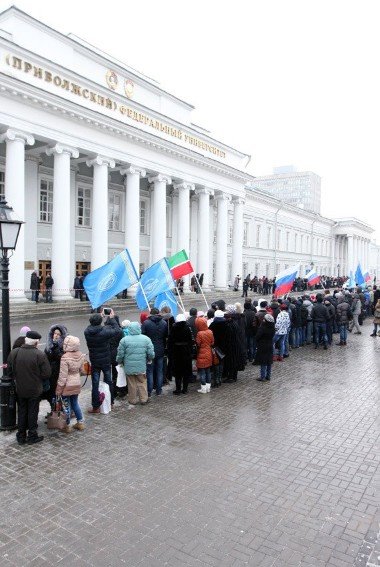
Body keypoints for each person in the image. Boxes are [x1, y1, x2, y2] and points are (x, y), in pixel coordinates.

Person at [7, 330, 51, 444]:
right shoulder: (39, 355)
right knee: (32, 412)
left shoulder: (15, 353)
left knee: (22, 411)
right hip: (34, 389)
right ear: (36, 343)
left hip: (20, 388)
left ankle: (21, 436)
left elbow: (10, 370)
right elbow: (47, 374)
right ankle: (32, 436)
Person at [84, 309, 121, 413]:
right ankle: (111, 402)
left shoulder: (87, 332)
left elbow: (92, 326)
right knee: (108, 381)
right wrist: (112, 318)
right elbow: (117, 330)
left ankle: (95, 406)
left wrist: (99, 318)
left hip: (95, 360)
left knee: (95, 383)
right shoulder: (104, 331)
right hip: (105, 360)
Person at [116, 322, 154, 405]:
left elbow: (120, 354)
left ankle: (132, 400)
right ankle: (144, 399)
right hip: (141, 365)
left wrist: (120, 362)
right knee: (142, 382)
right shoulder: (146, 339)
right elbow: (151, 353)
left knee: (131, 383)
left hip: (129, 366)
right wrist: (149, 359)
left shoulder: (124, 340)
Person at [55, 335, 86, 433]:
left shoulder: (65, 357)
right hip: (76, 383)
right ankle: (80, 422)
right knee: (75, 403)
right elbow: (82, 370)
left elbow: (63, 376)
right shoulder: (81, 355)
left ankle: (67, 425)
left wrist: (59, 389)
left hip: (67, 385)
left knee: (66, 405)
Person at [141, 307, 168, 396]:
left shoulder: (146, 323)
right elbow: (165, 336)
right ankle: (159, 390)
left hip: (149, 350)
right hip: (160, 349)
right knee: (159, 371)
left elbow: (143, 336)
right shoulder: (164, 323)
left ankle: (149, 391)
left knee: (150, 371)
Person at [168, 313, 193, 395]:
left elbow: (170, 341)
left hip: (177, 352)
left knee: (178, 372)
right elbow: (190, 340)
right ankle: (185, 389)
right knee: (186, 371)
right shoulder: (187, 328)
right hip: (186, 352)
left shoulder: (174, 328)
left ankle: (178, 389)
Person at [44, 324, 68, 410]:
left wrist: (55, 347)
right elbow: (46, 357)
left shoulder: (64, 346)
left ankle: (61, 413)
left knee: (60, 395)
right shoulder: (49, 345)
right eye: (55, 334)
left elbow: (61, 358)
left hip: (60, 374)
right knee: (51, 395)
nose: (56, 336)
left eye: (58, 334)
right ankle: (53, 411)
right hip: (51, 374)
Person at [195, 317, 214, 393]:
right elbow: (212, 342)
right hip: (209, 352)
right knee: (208, 371)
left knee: (202, 372)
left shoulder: (199, 333)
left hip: (201, 354)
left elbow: (198, 343)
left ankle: (203, 388)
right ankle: (208, 387)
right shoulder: (210, 331)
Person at [255, 314, 275, 381]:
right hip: (270, 344)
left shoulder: (263, 327)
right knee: (269, 361)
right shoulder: (272, 327)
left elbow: (258, 336)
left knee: (263, 361)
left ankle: (262, 376)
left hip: (263, 345)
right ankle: (268, 376)